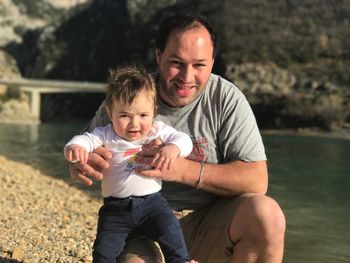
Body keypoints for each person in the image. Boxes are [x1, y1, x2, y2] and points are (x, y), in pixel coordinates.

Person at [69, 14, 286, 263]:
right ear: (159, 56)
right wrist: (81, 164)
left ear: (213, 62)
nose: (186, 76)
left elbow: (257, 181)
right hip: (142, 229)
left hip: (211, 223)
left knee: (267, 215)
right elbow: (81, 152)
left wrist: (182, 170)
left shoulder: (226, 99)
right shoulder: (129, 96)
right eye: (176, 62)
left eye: (199, 65)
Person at [64, 66, 198, 263]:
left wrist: (173, 149)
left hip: (152, 203)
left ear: (154, 111)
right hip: (116, 209)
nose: (134, 124)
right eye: (125, 115)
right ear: (110, 113)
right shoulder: (105, 134)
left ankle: (180, 260)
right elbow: (83, 139)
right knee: (104, 250)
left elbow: (184, 140)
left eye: (143, 115)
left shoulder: (156, 131)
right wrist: (74, 148)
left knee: (170, 230)